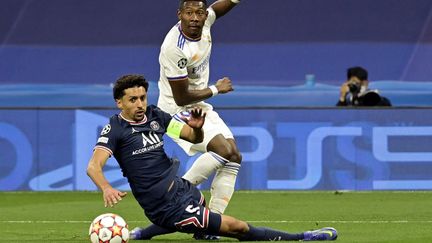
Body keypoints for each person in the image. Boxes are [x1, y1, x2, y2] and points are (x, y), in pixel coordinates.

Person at [86, 74, 338, 241]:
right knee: (236, 227)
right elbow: (93, 167)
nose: (140, 104)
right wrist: (106, 187)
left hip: (181, 190)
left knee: (200, 205)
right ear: (119, 103)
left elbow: (191, 138)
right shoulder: (115, 129)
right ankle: (302, 237)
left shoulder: (155, 116)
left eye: (142, 97)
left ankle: (143, 234)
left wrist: (196, 127)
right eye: (133, 100)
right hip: (163, 206)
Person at [147, 0, 242, 239]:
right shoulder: (174, 47)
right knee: (222, 150)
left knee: (234, 157)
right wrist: (217, 89)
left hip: (199, 106)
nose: (195, 18)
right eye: (188, 13)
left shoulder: (205, 22)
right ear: (179, 14)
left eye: (199, 12)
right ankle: (176, 194)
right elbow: (180, 97)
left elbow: (220, 7)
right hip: (174, 110)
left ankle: (210, 227)